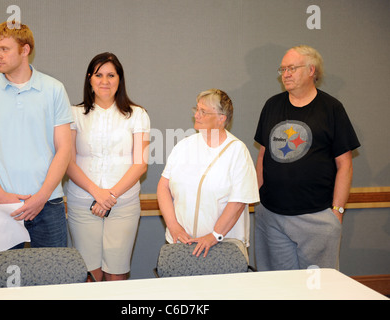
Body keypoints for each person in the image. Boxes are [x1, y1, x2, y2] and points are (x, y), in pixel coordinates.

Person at [0, 22, 73, 273]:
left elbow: (64, 149)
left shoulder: (54, 89)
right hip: (0, 207)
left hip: (49, 205)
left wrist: (41, 197)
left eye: (4, 49)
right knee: (3, 283)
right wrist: (2, 198)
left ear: (25, 50)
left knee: (54, 281)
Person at [254, 45, 360, 271]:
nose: (286, 74)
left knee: (317, 290)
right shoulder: (272, 105)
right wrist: (260, 200)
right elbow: (263, 155)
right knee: (277, 288)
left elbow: (345, 164)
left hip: (317, 218)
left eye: (292, 68)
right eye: (282, 69)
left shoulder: (332, 109)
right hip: (271, 218)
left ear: (312, 70)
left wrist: (337, 212)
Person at [66, 52, 150, 281]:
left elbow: (140, 164)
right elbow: (68, 162)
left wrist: (110, 196)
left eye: (111, 75)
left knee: (116, 273)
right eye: (99, 75)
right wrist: (98, 194)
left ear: (119, 79)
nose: (105, 81)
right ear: (89, 79)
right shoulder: (73, 114)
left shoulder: (137, 115)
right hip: (83, 203)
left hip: (123, 204)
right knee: (89, 274)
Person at [157, 89, 259, 262]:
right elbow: (163, 187)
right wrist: (173, 226)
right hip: (182, 242)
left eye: (203, 112)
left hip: (222, 246)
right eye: (196, 109)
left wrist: (214, 235)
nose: (197, 115)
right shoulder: (184, 146)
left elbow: (238, 201)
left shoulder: (237, 151)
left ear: (221, 118)